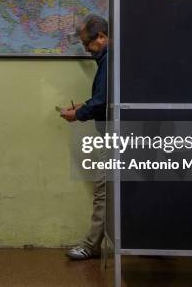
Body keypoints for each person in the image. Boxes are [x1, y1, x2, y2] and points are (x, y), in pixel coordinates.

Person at [60, 14, 108, 260]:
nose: (87, 50)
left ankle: (91, 245)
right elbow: (104, 98)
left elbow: (103, 103)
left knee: (103, 191)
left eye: (87, 44)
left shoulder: (110, 61)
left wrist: (78, 114)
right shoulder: (111, 60)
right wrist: (84, 105)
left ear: (101, 37)